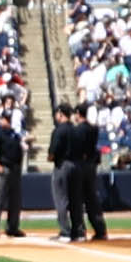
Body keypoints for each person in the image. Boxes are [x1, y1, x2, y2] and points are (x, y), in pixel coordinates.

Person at [49, 101, 108, 243]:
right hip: (84, 165)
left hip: (77, 165)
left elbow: (55, 152)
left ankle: (68, 231)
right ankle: (83, 231)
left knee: (67, 199)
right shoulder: (91, 128)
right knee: (83, 199)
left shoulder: (77, 129)